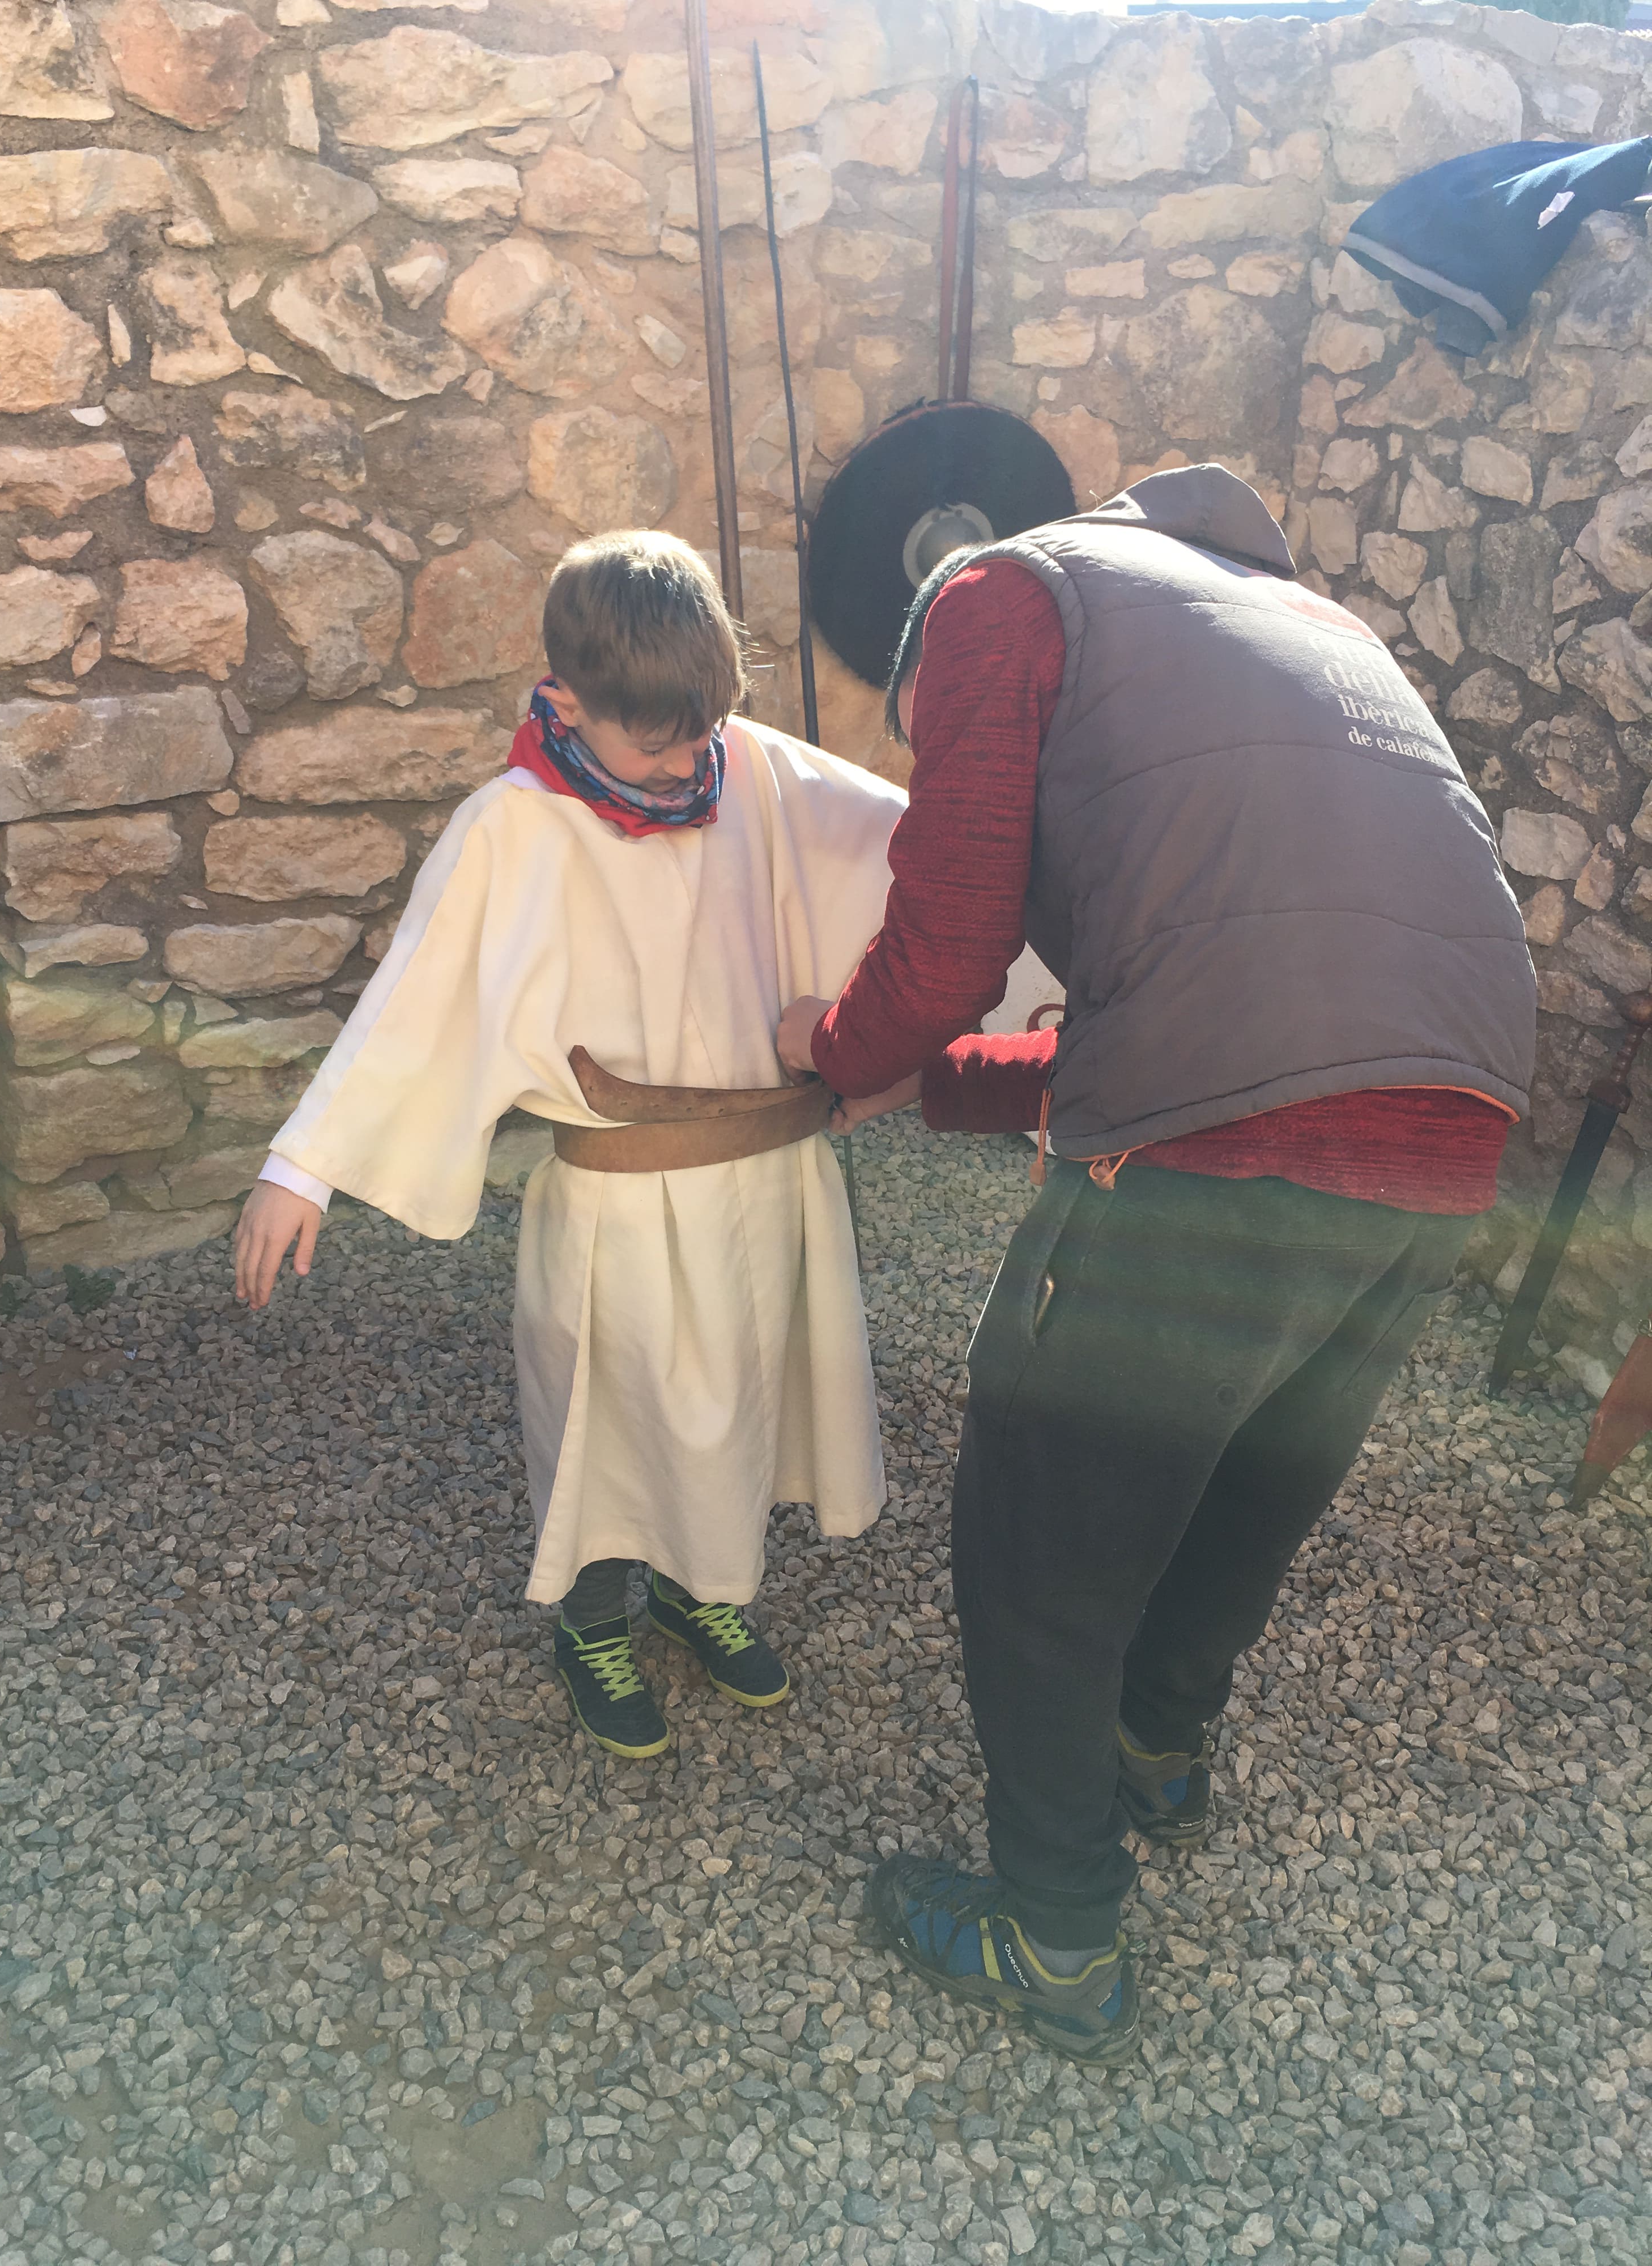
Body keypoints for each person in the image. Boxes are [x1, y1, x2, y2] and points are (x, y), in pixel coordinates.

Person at [777, 465, 1536, 2065]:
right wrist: (937, 1086)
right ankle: (1157, 1753)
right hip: (1453, 1132)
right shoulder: (1296, 624)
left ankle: (1056, 1935)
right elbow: (1221, 1015)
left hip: (1229, 1137)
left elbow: (949, 942)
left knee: (1039, 1536)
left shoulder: (995, 598)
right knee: (1253, 1477)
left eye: (920, 731)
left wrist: (834, 1051)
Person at [236, 531, 905, 1758]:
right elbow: (418, 995)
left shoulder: (752, 769)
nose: (686, 760)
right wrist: (304, 1166)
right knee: (614, 1416)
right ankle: (595, 1622)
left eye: (702, 729)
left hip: (773, 1174)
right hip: (619, 1198)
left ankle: (702, 1590)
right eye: (654, 740)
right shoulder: (514, 827)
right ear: (568, 700)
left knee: (744, 1394)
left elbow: (911, 852)